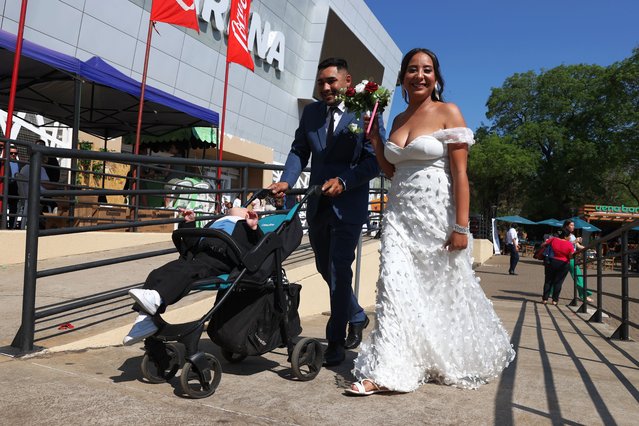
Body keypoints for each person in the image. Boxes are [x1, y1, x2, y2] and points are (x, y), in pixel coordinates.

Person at [347, 48, 515, 395]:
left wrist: (461, 227)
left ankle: (430, 355)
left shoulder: (448, 112)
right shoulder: (396, 120)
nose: (419, 76)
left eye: (426, 70)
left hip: (437, 218)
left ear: (436, 77)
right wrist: (377, 141)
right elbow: (392, 171)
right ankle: (386, 370)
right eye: (412, 70)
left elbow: (461, 173)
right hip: (398, 216)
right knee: (393, 287)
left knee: (437, 289)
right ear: (403, 77)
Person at [269, 57, 382, 366]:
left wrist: (345, 182)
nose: (326, 87)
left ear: (347, 81)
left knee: (339, 269)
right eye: (321, 83)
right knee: (323, 266)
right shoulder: (311, 113)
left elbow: (374, 162)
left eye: (332, 81)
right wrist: (285, 181)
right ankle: (356, 314)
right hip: (317, 202)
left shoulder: (367, 111)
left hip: (348, 205)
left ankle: (335, 342)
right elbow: (299, 150)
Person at [122, 207, 261, 345]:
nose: (234, 209)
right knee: (157, 273)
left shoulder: (246, 225)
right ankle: (146, 320)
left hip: (221, 259)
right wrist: (189, 223)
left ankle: (157, 299)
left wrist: (253, 229)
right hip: (199, 257)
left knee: (190, 270)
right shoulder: (215, 222)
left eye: (242, 208)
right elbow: (192, 245)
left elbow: (257, 251)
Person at [540, 228, 575, 305]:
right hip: (564, 264)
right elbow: (571, 256)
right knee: (558, 282)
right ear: (566, 236)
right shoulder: (569, 244)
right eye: (569, 236)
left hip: (551, 261)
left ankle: (545, 299)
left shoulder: (553, 239)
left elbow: (543, 244)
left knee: (548, 281)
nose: (570, 238)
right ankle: (555, 300)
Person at [562, 219, 593, 303]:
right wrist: (574, 241)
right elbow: (564, 245)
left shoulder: (572, 235)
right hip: (566, 258)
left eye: (573, 225)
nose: (573, 227)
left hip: (572, 258)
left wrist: (588, 248)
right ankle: (549, 293)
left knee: (578, 277)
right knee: (559, 277)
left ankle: (584, 295)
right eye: (571, 225)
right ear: (566, 226)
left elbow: (578, 246)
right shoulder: (562, 234)